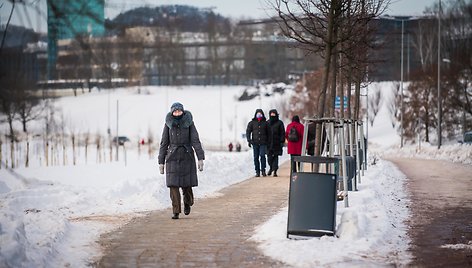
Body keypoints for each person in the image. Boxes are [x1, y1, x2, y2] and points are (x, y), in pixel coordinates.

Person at [158, 102, 205, 220]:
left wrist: (200, 158)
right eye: (175, 111)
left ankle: (188, 202)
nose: (177, 113)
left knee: (186, 184)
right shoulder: (168, 124)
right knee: (173, 186)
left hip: (187, 156)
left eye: (179, 111)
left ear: (183, 112)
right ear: (172, 112)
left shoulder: (189, 123)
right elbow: (164, 143)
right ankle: (176, 211)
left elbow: (195, 140)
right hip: (172, 158)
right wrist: (161, 162)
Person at [246, 109, 269, 177]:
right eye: (258, 114)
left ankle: (263, 170)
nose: (259, 115)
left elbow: (269, 133)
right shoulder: (252, 123)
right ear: (255, 114)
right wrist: (249, 140)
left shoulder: (265, 123)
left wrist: (268, 142)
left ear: (262, 114)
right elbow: (248, 132)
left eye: (260, 114)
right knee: (256, 157)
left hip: (263, 143)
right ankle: (257, 171)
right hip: (255, 143)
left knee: (262, 155)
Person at [267, 109, 285, 177]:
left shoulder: (280, 123)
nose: (272, 116)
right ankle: (271, 167)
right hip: (269, 144)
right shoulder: (267, 122)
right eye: (271, 114)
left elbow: (282, 132)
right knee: (269, 158)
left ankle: (275, 171)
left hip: (277, 143)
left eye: (274, 114)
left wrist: (282, 141)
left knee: (276, 157)